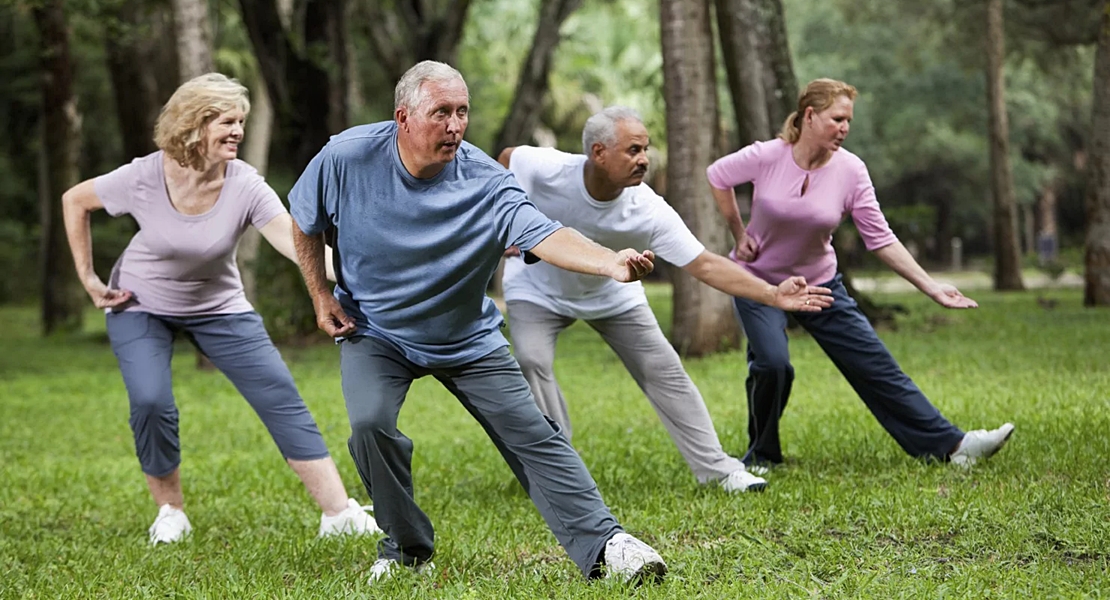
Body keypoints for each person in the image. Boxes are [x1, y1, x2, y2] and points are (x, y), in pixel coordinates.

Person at [288, 61, 667, 583]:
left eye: (462, 112)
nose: (455, 125)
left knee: (535, 434)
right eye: (441, 112)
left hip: (465, 337)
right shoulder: (346, 157)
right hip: (375, 329)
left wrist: (610, 262)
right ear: (402, 117)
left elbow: (544, 232)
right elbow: (304, 220)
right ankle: (405, 549)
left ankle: (608, 545)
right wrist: (319, 294)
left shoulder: (487, 181)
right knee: (369, 425)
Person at [61, 73, 379, 544]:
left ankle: (338, 512)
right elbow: (75, 200)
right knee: (151, 401)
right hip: (140, 302)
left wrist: (370, 272)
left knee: (280, 396)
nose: (237, 131)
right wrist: (88, 277)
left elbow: (298, 246)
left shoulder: (246, 185)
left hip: (218, 305)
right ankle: (170, 511)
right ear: (194, 124)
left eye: (241, 122)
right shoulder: (144, 175)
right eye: (226, 121)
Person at [496, 107, 834, 494]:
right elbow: (507, 158)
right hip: (536, 288)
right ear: (598, 152)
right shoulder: (548, 168)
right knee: (532, 360)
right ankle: (558, 471)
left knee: (666, 372)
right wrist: (507, 220)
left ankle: (720, 470)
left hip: (613, 293)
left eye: (646, 149)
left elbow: (706, 265)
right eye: (633, 150)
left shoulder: (648, 209)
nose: (644, 159)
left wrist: (772, 293)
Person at [705, 78, 1014, 471]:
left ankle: (954, 447)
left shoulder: (851, 171)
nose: (845, 128)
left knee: (876, 366)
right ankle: (762, 455)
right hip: (759, 282)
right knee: (772, 364)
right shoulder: (768, 156)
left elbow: (880, 238)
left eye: (849, 120)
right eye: (838, 119)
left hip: (820, 283)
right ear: (810, 115)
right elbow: (717, 175)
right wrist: (739, 232)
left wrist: (931, 287)